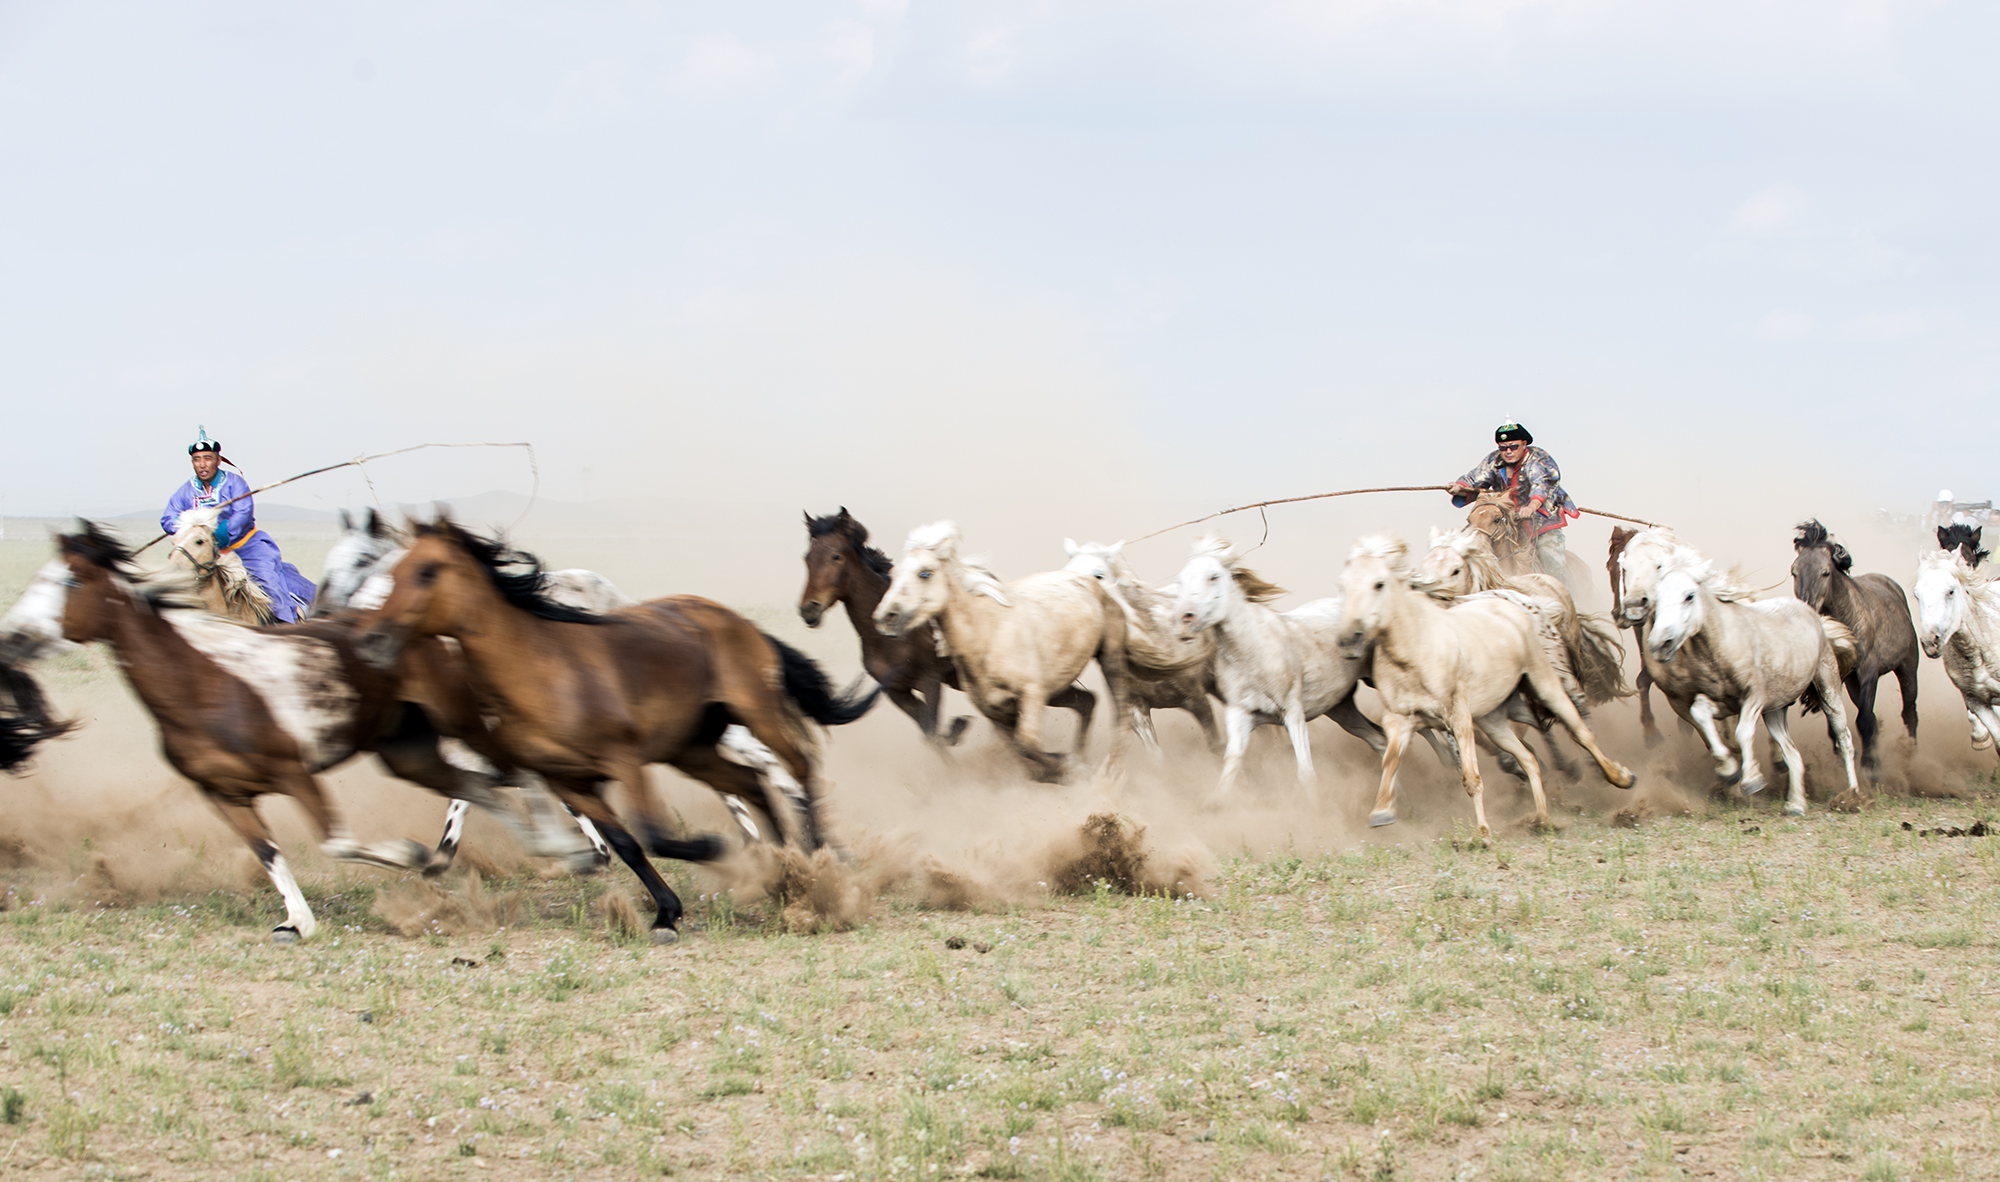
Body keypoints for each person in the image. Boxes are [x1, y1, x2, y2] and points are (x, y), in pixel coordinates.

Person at [160, 427, 316, 622]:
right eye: (197, 459)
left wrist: (215, 535)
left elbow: (243, 514)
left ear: (218, 460)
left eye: (207, 458)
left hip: (246, 546)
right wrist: (190, 528)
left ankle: (286, 623)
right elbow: (168, 519)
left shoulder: (235, 483)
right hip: (203, 552)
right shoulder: (186, 491)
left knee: (268, 583)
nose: (202, 464)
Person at [1449, 419, 1578, 585]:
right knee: (1477, 543)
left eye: (1513, 447)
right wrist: (1459, 487)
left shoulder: (1538, 459)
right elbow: (1474, 479)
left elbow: (1540, 486)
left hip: (1541, 519)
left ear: (1524, 444)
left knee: (1550, 556)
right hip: (1507, 519)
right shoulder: (1494, 460)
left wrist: (1531, 506)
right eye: (1503, 448)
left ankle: (1570, 594)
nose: (1508, 451)